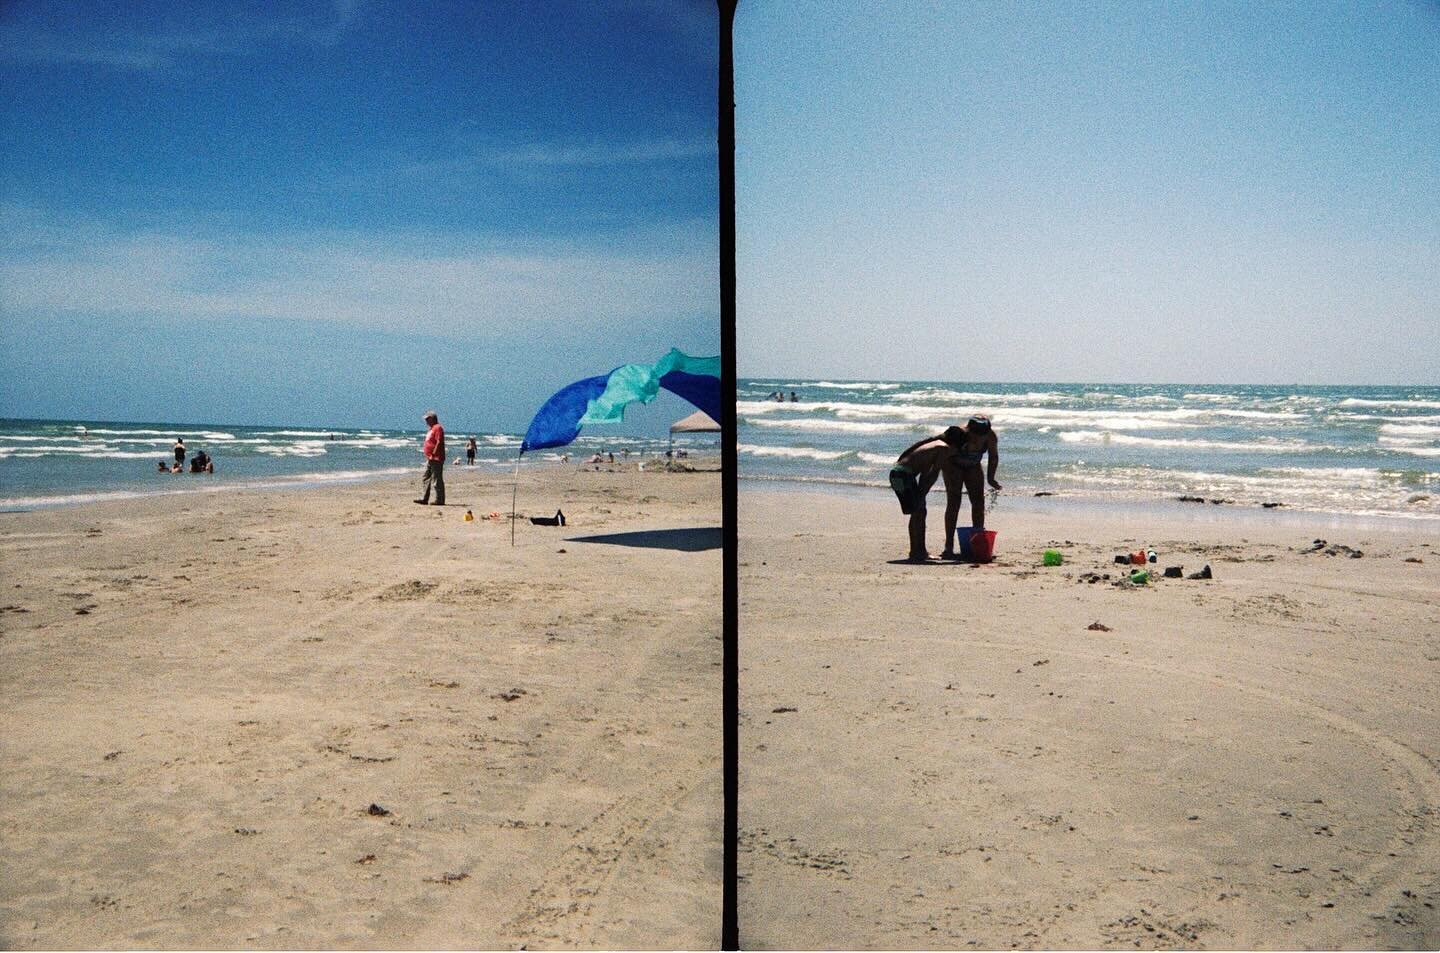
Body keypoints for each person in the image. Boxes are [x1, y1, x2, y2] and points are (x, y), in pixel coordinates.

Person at [889, 417, 1001, 561]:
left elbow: (926, 470)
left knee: (918, 511)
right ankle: (920, 551)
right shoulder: (944, 448)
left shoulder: (941, 447)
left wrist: (922, 492)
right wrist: (922, 492)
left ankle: (917, 551)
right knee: (919, 511)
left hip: (899, 474)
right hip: (902, 476)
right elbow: (932, 473)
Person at [414, 410, 446, 505]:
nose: (426, 421)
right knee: (426, 477)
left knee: (437, 479)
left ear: (432, 418)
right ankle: (424, 498)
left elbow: (439, 442)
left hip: (436, 458)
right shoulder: (431, 428)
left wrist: (433, 454)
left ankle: (439, 499)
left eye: (427, 419)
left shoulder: (438, 428)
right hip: (430, 458)